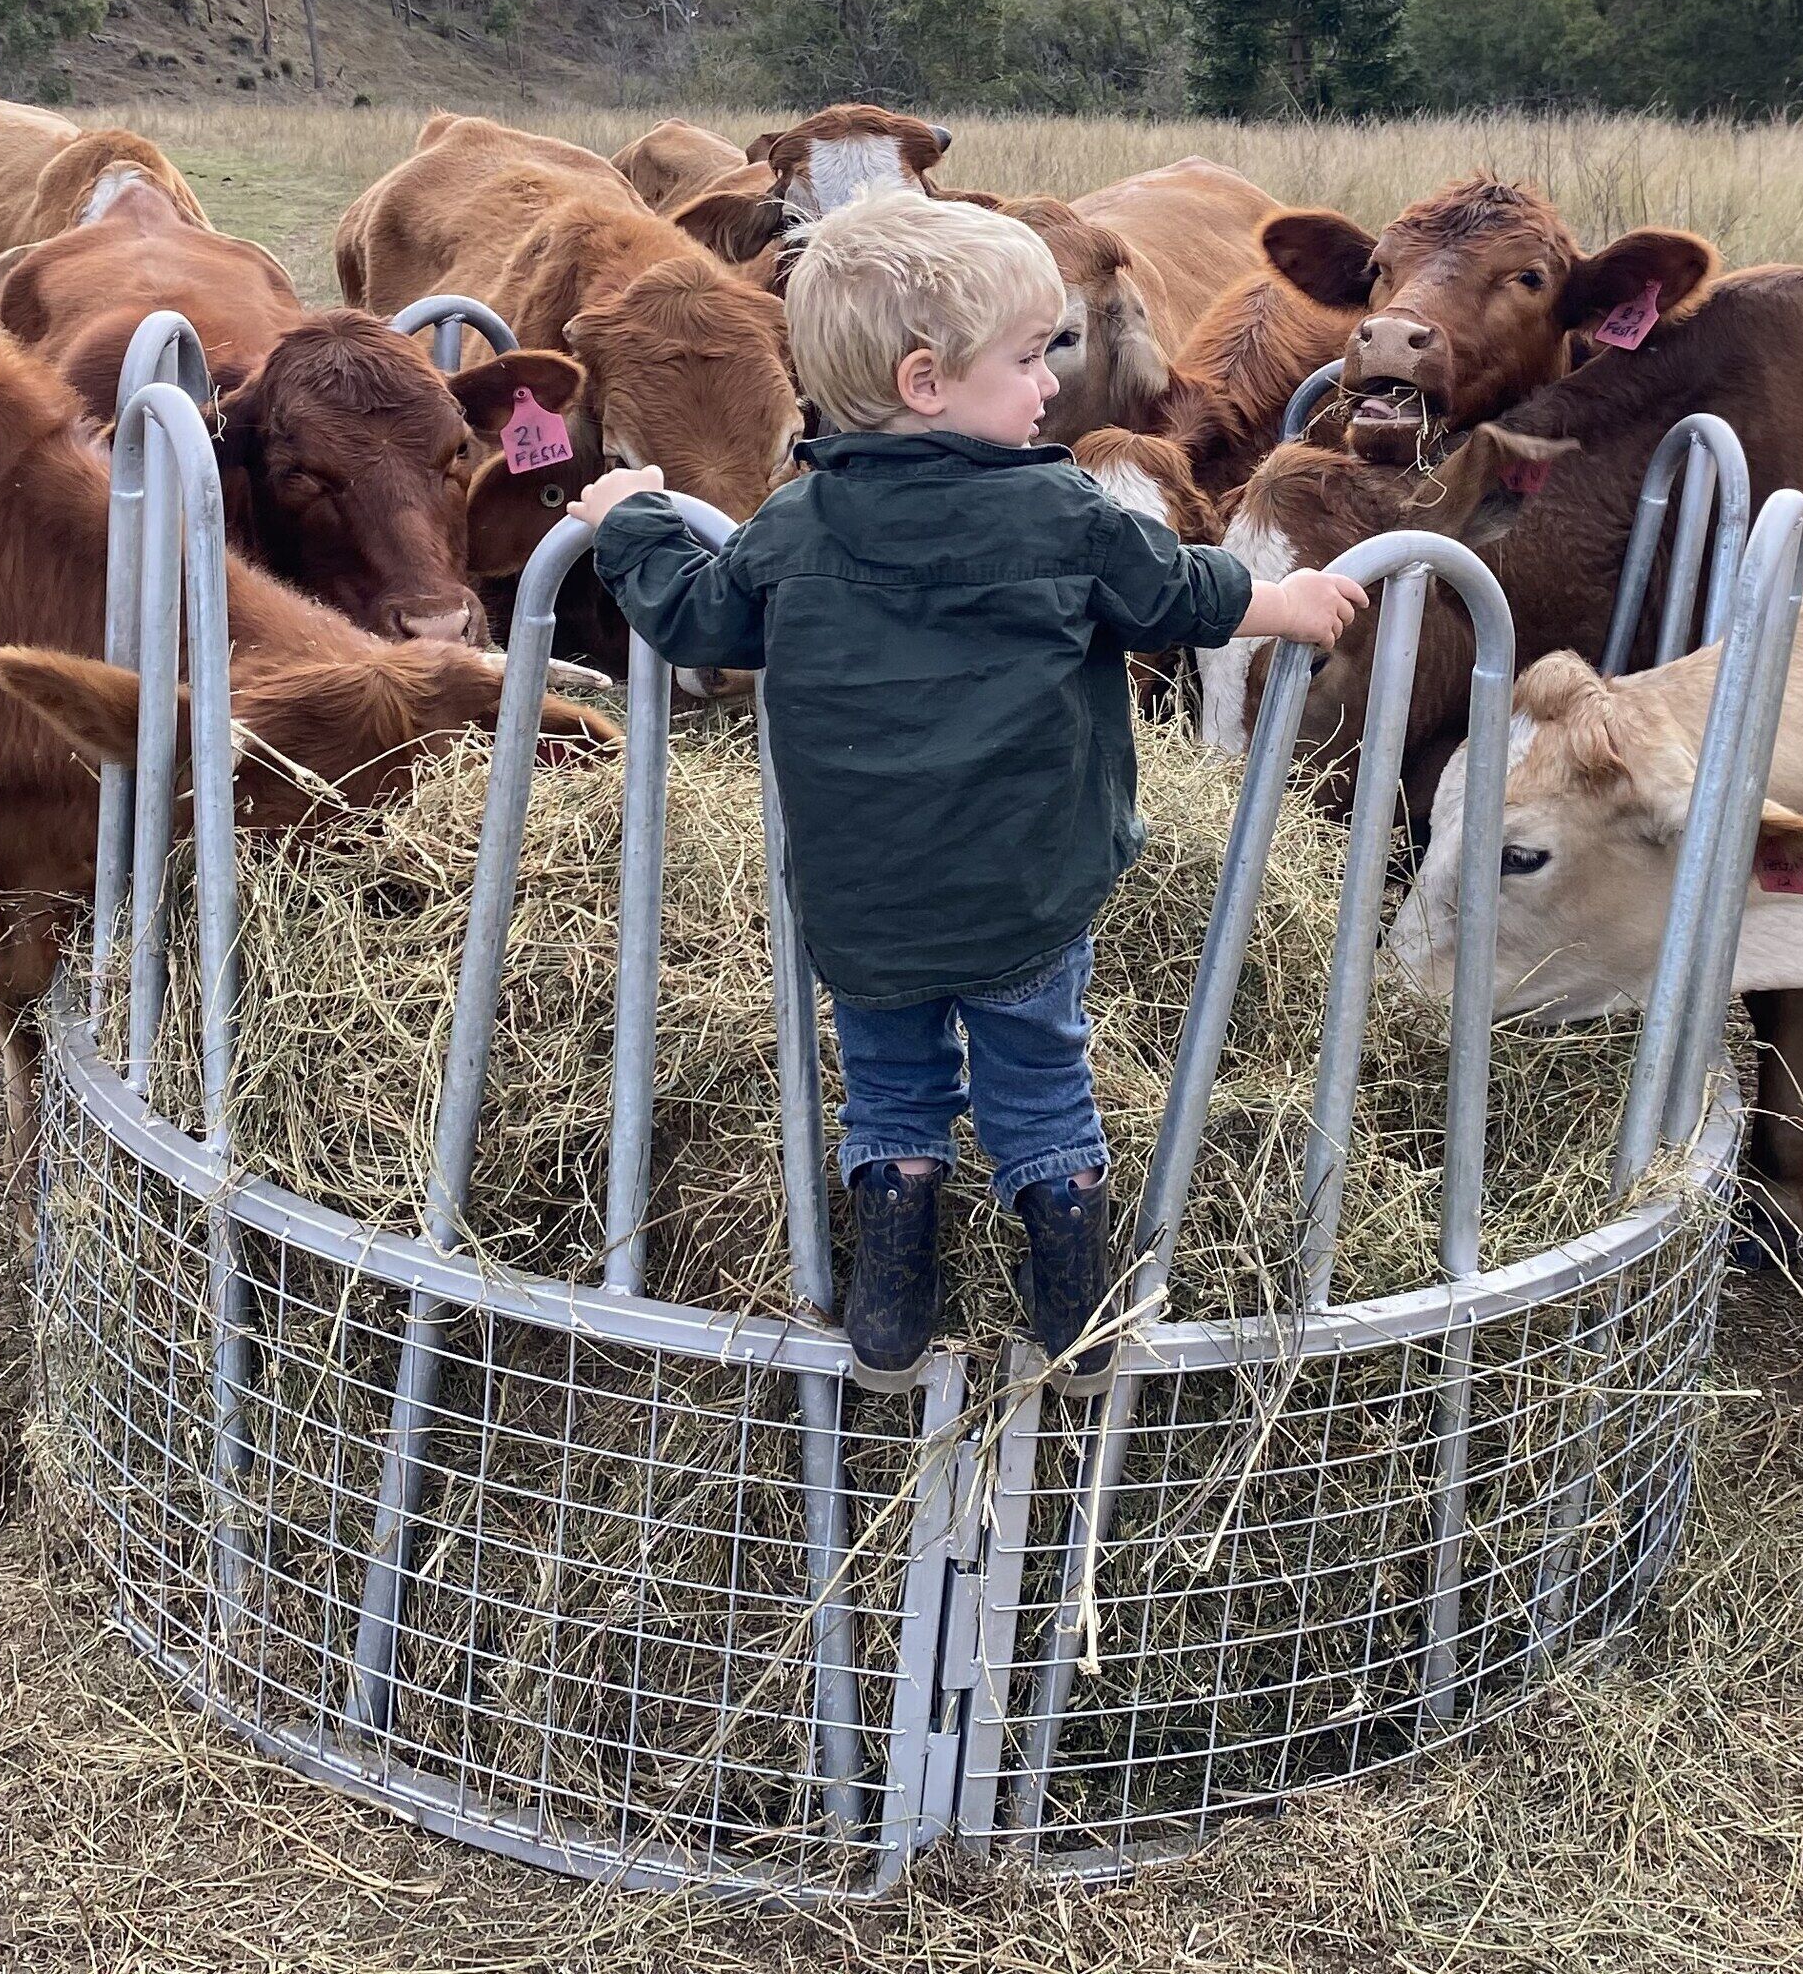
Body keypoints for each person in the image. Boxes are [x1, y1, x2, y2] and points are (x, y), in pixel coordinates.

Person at [577, 189, 1364, 1391]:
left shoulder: (799, 522)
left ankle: (888, 1315)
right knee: (1041, 1081)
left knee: (891, 1089)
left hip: (864, 905)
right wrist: (1295, 603)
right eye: (1030, 357)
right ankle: (1074, 1317)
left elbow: (694, 615)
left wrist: (632, 521)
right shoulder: (1060, 511)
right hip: (1028, 887)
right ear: (929, 378)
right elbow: (1184, 597)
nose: (1051, 385)